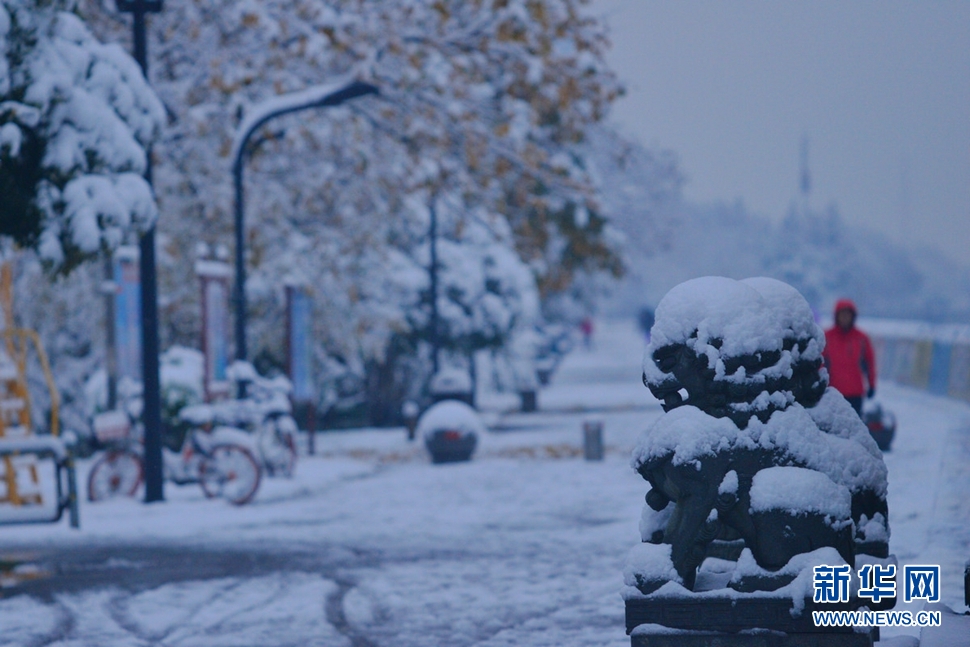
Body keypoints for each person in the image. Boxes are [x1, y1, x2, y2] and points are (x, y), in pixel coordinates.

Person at [822, 299, 876, 415]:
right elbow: (820, 363)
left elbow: (870, 363)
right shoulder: (827, 337)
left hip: (855, 394)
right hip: (832, 392)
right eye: (842, 314)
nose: (845, 317)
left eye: (848, 314)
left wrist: (871, 385)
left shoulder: (861, 338)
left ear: (853, 316)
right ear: (836, 316)